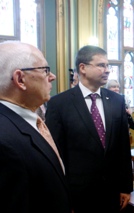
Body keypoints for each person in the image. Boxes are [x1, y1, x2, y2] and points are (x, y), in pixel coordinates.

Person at [45, 45, 133, 213]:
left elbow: (123, 148)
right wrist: (63, 196)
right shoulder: (59, 104)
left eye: (108, 66)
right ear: (82, 68)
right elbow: (56, 155)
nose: (107, 70)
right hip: (78, 194)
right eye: (101, 65)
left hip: (112, 192)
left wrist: (125, 186)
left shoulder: (116, 100)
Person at [0, 41, 71, 213]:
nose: (52, 76)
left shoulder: (29, 121)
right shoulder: (4, 141)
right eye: (45, 70)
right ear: (20, 79)